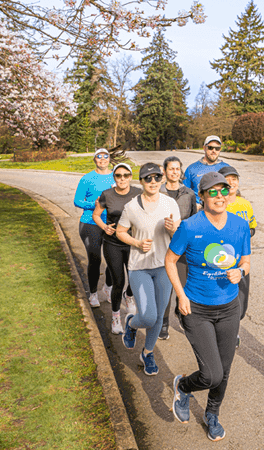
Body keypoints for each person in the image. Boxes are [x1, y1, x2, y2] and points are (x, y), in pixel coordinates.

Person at [166, 172, 251, 442]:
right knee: (211, 373)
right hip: (197, 309)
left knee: (224, 372)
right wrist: (180, 295)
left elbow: (246, 260)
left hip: (228, 308)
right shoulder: (190, 227)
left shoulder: (239, 225)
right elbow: (170, 261)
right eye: (211, 192)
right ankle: (184, 385)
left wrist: (241, 270)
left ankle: (212, 413)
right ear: (201, 196)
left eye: (223, 191)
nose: (219, 197)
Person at [116, 163, 182, 376]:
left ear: (162, 179)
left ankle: (147, 353)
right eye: (148, 178)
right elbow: (120, 232)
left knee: (160, 315)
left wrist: (174, 230)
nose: (153, 182)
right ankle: (132, 323)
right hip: (140, 268)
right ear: (141, 181)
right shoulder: (131, 207)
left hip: (164, 267)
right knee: (148, 316)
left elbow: (179, 238)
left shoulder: (170, 203)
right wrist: (135, 243)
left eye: (156, 178)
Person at [93, 163, 141, 333]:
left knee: (135, 279)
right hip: (112, 243)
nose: (122, 179)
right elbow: (96, 215)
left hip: (132, 243)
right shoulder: (107, 195)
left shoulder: (138, 193)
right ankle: (115, 318)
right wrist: (104, 227)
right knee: (118, 281)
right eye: (118, 175)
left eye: (125, 175)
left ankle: (128, 297)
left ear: (130, 176)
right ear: (114, 177)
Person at [158, 155, 197, 340]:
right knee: (165, 288)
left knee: (182, 285)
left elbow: (193, 220)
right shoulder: (157, 192)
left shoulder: (189, 193)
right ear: (164, 171)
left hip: (182, 248)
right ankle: (163, 323)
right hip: (161, 246)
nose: (174, 172)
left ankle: (180, 314)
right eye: (170, 168)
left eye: (177, 169)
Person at [218, 165, 256, 347]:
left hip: (241, 260)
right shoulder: (216, 203)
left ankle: (232, 329)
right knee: (222, 299)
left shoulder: (245, 204)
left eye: (235, 178)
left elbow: (253, 225)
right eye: (227, 179)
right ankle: (228, 334)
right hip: (220, 261)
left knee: (242, 304)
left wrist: (249, 232)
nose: (231, 182)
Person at [73, 148, 115, 307]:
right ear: (94, 159)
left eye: (106, 156)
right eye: (99, 156)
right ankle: (93, 293)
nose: (103, 159)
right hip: (90, 223)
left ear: (110, 159)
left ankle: (108, 288)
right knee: (95, 259)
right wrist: (95, 204)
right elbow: (77, 201)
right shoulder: (87, 179)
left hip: (111, 223)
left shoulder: (115, 176)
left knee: (113, 259)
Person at [183, 135, 230, 205]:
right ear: (204, 148)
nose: (214, 151)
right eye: (210, 148)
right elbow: (184, 193)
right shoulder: (192, 169)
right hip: (199, 210)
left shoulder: (227, 168)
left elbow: (232, 191)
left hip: (220, 208)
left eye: (217, 148)